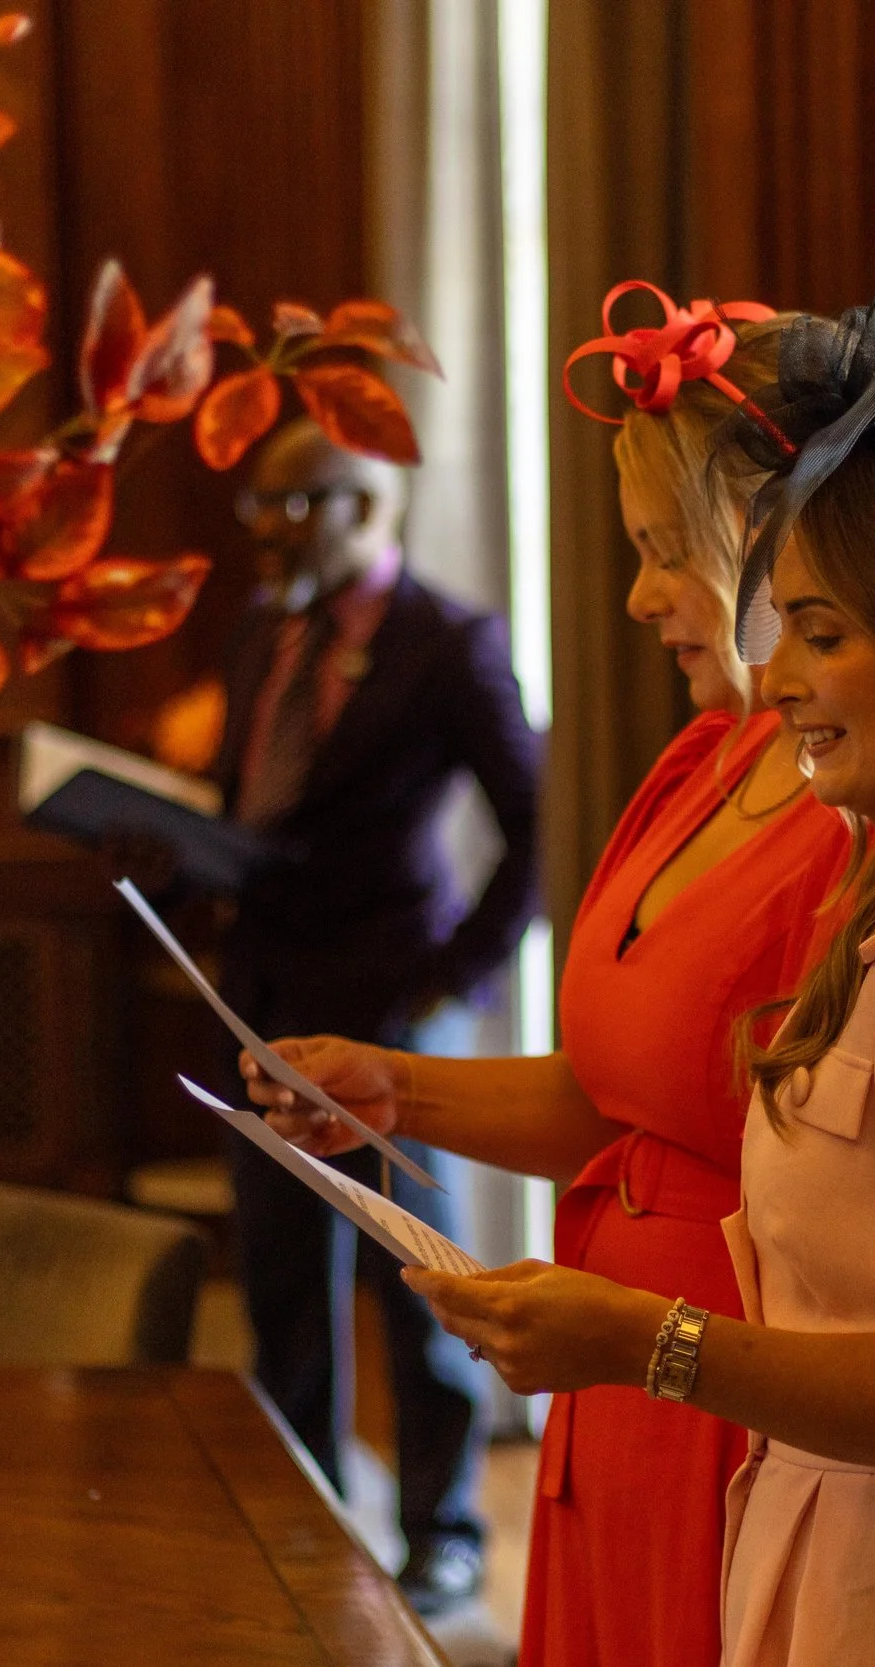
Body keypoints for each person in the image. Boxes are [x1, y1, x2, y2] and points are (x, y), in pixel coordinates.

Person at [248, 277, 875, 1664]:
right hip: (821, 1505)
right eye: (790, 623)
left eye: (824, 631)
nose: (783, 671)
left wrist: (651, 1340)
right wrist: (408, 1090)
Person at [125, 416, 542, 1615]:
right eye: (258, 507)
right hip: (258, 987)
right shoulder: (268, 625)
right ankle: (305, 1506)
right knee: (280, 1274)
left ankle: (443, 1526)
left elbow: (533, 816)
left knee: (411, 1271)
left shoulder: (446, 640)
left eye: (291, 507)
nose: (265, 532)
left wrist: (456, 978)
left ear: (367, 509)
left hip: (386, 1001)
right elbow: (252, 800)